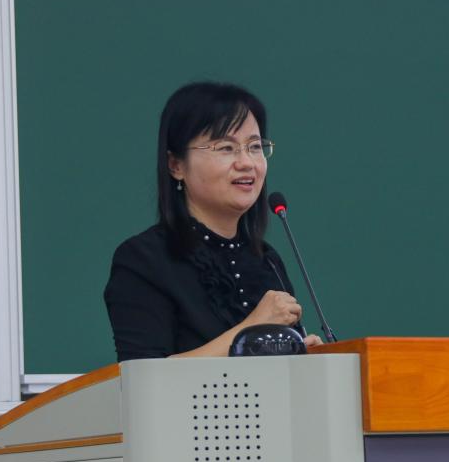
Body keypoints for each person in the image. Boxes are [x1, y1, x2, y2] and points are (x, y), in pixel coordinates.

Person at [104, 81, 322, 361]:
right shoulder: (143, 259)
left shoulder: (267, 262)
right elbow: (143, 377)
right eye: (226, 148)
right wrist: (250, 329)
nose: (246, 162)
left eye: (255, 147)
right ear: (176, 165)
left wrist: (304, 357)